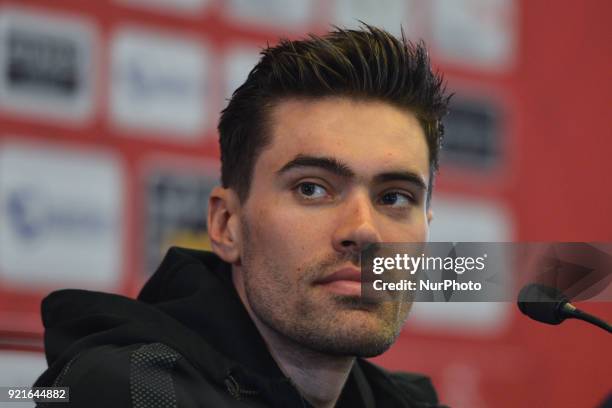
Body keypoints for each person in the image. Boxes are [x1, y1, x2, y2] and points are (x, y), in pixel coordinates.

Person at [35, 23, 451, 407]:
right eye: (312, 189)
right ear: (226, 225)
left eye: (395, 198)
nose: (363, 229)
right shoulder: (132, 389)